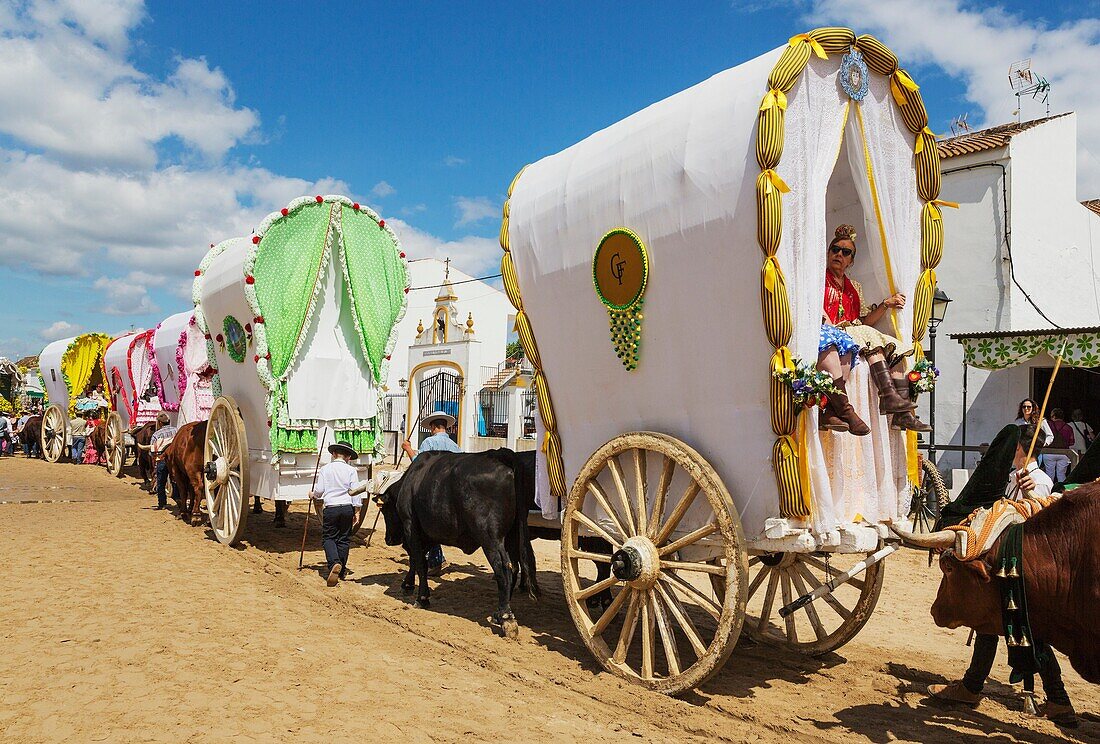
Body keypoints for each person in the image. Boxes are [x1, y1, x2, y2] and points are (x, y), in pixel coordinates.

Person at [928, 423, 1075, 727]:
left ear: (1023, 449)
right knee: (988, 625)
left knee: (1031, 632)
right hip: (1004, 566)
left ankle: (1058, 699)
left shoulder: (1041, 481)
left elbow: (1039, 521)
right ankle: (972, 686)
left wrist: (1026, 497)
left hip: (1024, 569)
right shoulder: (1015, 477)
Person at [822, 224, 930, 432]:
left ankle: (902, 414)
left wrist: (886, 304)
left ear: (851, 260)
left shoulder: (855, 286)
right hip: (835, 332)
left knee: (897, 348)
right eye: (835, 249)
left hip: (857, 331)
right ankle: (888, 397)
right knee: (872, 339)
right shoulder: (819, 280)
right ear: (828, 252)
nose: (839, 254)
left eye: (846, 252)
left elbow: (865, 320)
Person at [401, 411, 461, 574]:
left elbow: (419, 464)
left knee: (427, 523)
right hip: (451, 489)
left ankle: (435, 560)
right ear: (445, 427)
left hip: (432, 489)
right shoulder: (455, 446)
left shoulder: (429, 442)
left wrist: (408, 449)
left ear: (433, 427)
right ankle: (436, 559)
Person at [310, 441, 363, 586]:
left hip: (331, 507)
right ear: (348, 457)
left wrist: (312, 494)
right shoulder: (351, 470)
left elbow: (319, 491)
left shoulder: (325, 469)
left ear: (334, 454)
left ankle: (334, 562)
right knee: (344, 539)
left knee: (329, 538)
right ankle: (341, 569)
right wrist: (357, 510)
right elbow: (355, 492)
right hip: (346, 507)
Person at [149, 413, 177, 509]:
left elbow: (152, 451)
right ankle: (178, 500)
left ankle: (162, 503)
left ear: (160, 423)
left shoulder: (156, 435)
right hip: (175, 459)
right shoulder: (176, 430)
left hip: (162, 460)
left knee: (161, 482)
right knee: (176, 480)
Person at [1043, 408, 1074, 485]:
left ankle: (1049, 491)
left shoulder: (1048, 425)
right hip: (1064, 453)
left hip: (1049, 452)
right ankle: (1062, 491)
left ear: (1053, 416)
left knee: (1049, 474)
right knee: (1061, 474)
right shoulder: (1068, 427)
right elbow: (1072, 442)